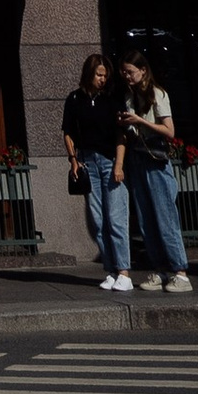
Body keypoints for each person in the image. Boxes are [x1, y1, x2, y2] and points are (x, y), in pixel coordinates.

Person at [117, 53, 191, 293]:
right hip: (137, 157)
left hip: (156, 158)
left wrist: (140, 121)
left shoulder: (157, 94)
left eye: (130, 71)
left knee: (165, 216)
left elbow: (169, 131)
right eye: (124, 72)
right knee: (146, 218)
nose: (127, 76)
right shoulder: (129, 95)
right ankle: (159, 269)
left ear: (143, 71)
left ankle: (180, 271)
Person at [63, 52, 130, 289]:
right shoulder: (74, 99)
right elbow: (68, 131)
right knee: (99, 219)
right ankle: (111, 269)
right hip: (87, 161)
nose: (102, 79)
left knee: (116, 218)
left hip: (110, 160)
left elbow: (121, 134)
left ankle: (124, 271)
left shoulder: (111, 99)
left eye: (105, 75)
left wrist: (119, 165)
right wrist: (73, 159)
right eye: (99, 74)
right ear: (89, 73)